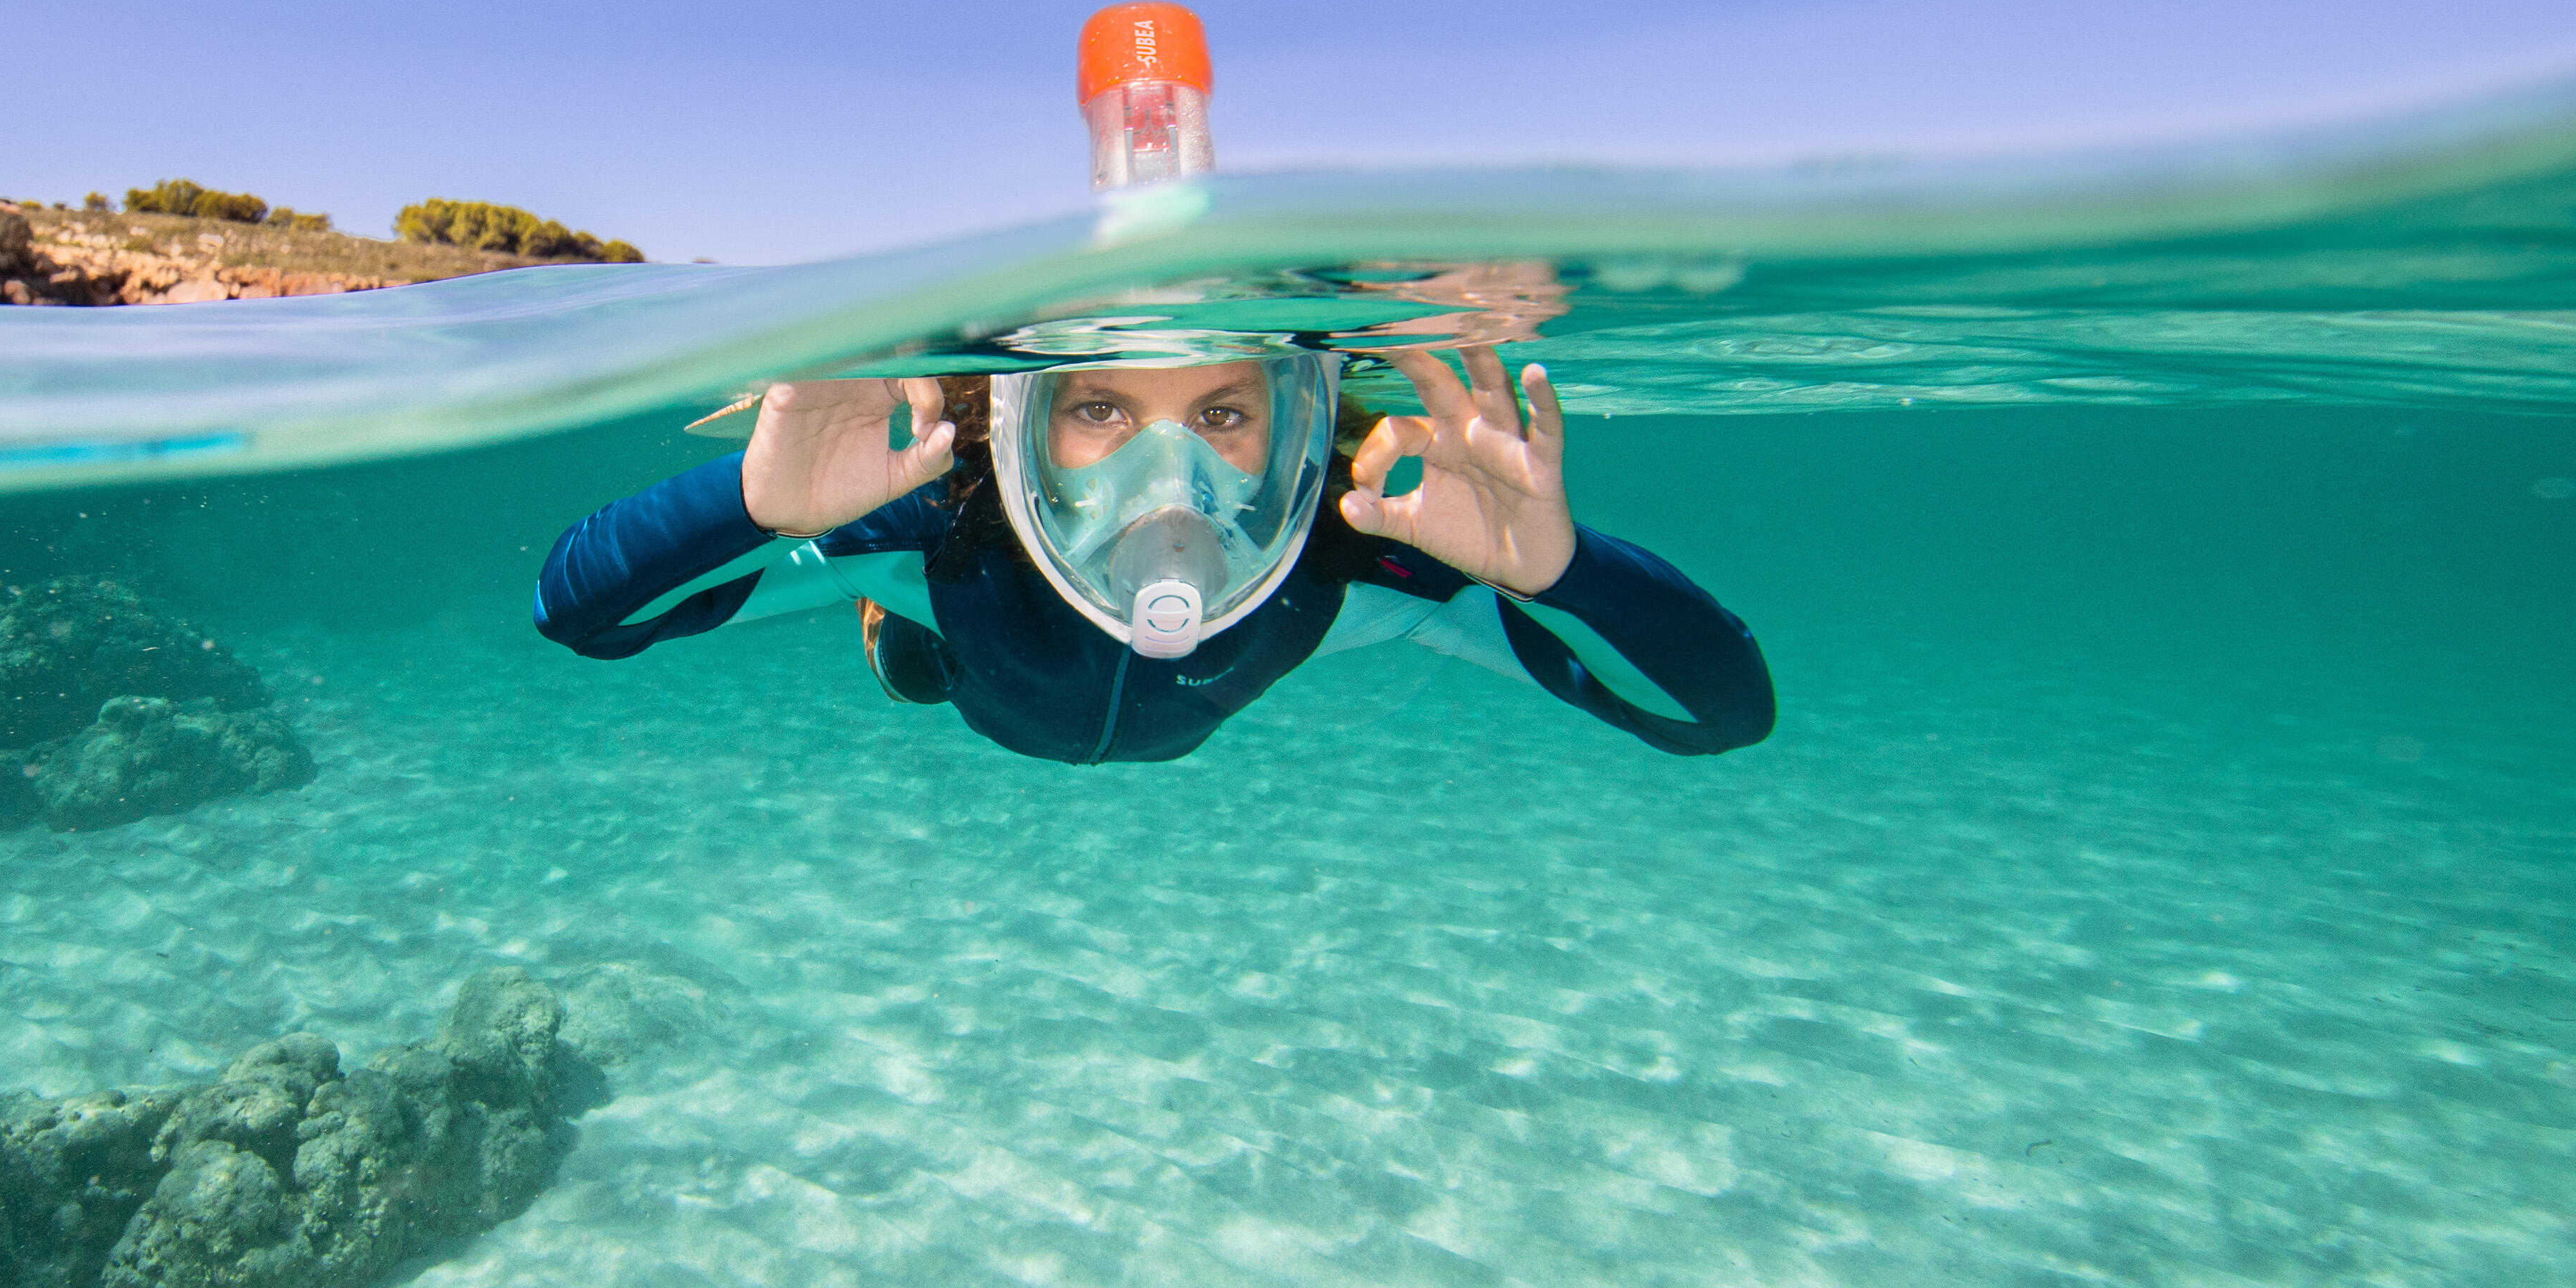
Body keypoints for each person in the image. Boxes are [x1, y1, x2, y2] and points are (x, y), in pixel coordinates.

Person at [532, 342, 1773, 767]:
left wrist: (1556, 569)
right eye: (1102, 410)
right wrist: (755, 502)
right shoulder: (931, 529)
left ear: (1292, 432)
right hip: (949, 643)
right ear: (1022, 423)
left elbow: (1718, 712)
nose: (1166, 483)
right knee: (913, 657)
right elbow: (577, 613)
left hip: (1021, 671)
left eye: (1225, 416)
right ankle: (881, 631)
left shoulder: (1351, 564)